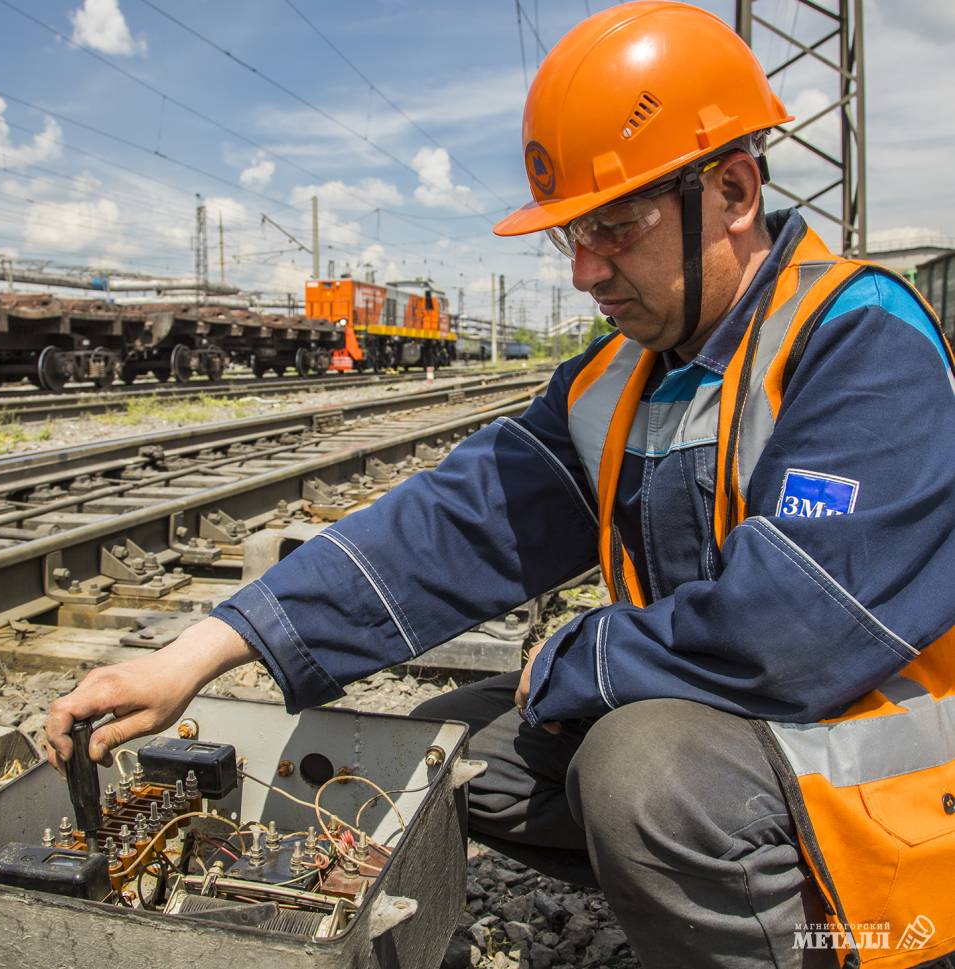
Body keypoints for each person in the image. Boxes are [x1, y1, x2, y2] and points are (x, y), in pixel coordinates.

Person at [46, 3, 955, 967]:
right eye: (571, 236)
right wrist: (201, 651)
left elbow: (795, 628)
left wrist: (584, 654)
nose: (584, 273)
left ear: (732, 189)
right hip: (752, 735)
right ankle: (721, 895)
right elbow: (451, 525)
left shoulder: (858, 340)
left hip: (897, 789)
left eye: (613, 228)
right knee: (448, 751)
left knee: (638, 770)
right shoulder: (619, 380)